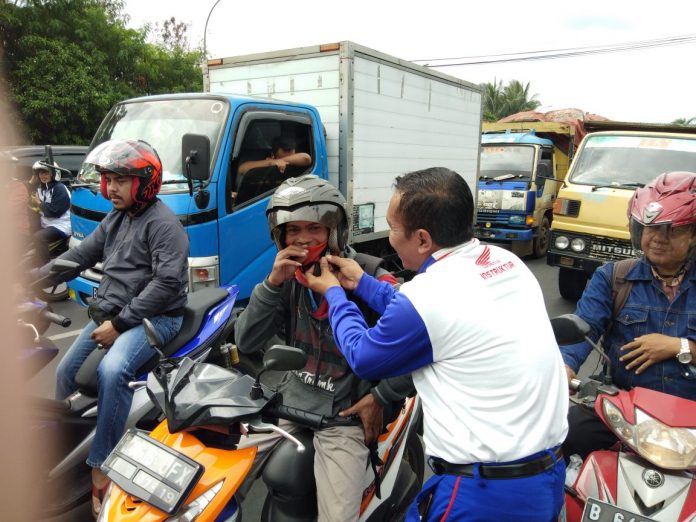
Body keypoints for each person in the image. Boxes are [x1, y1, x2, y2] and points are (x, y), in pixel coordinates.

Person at [303, 167, 569, 521]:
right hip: (545, 476)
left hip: (483, 494)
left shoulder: (429, 297)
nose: (390, 239)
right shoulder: (504, 262)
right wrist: (364, 284)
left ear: (423, 240)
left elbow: (363, 355)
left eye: (393, 228)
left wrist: (335, 294)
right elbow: (435, 316)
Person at [234, 174, 413, 522]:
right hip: (290, 407)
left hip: (342, 419)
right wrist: (271, 283)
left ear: (334, 231)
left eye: (314, 228)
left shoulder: (368, 276)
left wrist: (381, 396)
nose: (303, 238)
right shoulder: (287, 279)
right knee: (209, 478)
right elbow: (246, 341)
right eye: (293, 230)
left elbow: (419, 342)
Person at [37, 139, 189, 518]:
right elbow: (81, 254)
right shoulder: (117, 218)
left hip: (156, 318)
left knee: (112, 370)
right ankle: (63, 445)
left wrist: (119, 325)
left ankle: (102, 464)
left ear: (145, 183)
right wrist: (30, 279)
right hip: (113, 314)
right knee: (65, 372)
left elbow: (167, 284)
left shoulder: (164, 225)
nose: (111, 188)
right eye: (109, 179)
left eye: (120, 180)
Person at [561, 171, 696, 460]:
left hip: (691, 415)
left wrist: (680, 347)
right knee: (568, 434)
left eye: (672, 230)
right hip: (624, 410)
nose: (658, 239)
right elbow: (583, 329)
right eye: (651, 228)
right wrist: (563, 367)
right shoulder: (613, 278)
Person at [31, 160, 71, 264]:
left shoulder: (59, 188)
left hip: (61, 225)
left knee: (39, 237)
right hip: (47, 223)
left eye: (46, 173)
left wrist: (39, 203)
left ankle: (44, 267)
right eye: (41, 173)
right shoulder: (41, 188)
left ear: (53, 174)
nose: (43, 176)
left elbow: (54, 211)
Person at [237, 134, 311, 178]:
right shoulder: (268, 161)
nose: (285, 163)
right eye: (282, 157)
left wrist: (282, 160)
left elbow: (306, 158)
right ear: (273, 154)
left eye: (291, 157)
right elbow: (242, 169)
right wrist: (273, 162)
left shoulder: (298, 163)